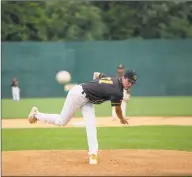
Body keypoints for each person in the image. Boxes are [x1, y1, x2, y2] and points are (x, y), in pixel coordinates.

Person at [28, 69, 137, 165]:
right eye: (129, 81)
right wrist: (122, 119)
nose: (130, 84)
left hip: (87, 98)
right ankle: (36, 115)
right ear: (124, 77)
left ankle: (93, 154)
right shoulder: (118, 92)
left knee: (91, 126)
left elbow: (96, 74)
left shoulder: (112, 78)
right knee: (62, 121)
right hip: (78, 94)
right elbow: (118, 110)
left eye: (133, 83)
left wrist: (95, 85)